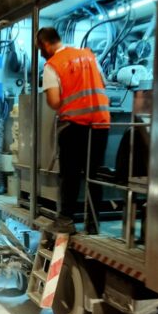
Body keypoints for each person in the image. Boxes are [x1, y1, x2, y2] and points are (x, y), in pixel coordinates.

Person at [36, 27, 110, 234]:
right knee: (94, 175)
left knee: (70, 174)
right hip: (101, 123)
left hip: (74, 125)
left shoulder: (52, 65)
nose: (41, 53)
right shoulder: (88, 56)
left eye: (40, 49)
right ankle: (93, 224)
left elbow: (54, 100)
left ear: (46, 44)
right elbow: (103, 83)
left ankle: (66, 220)